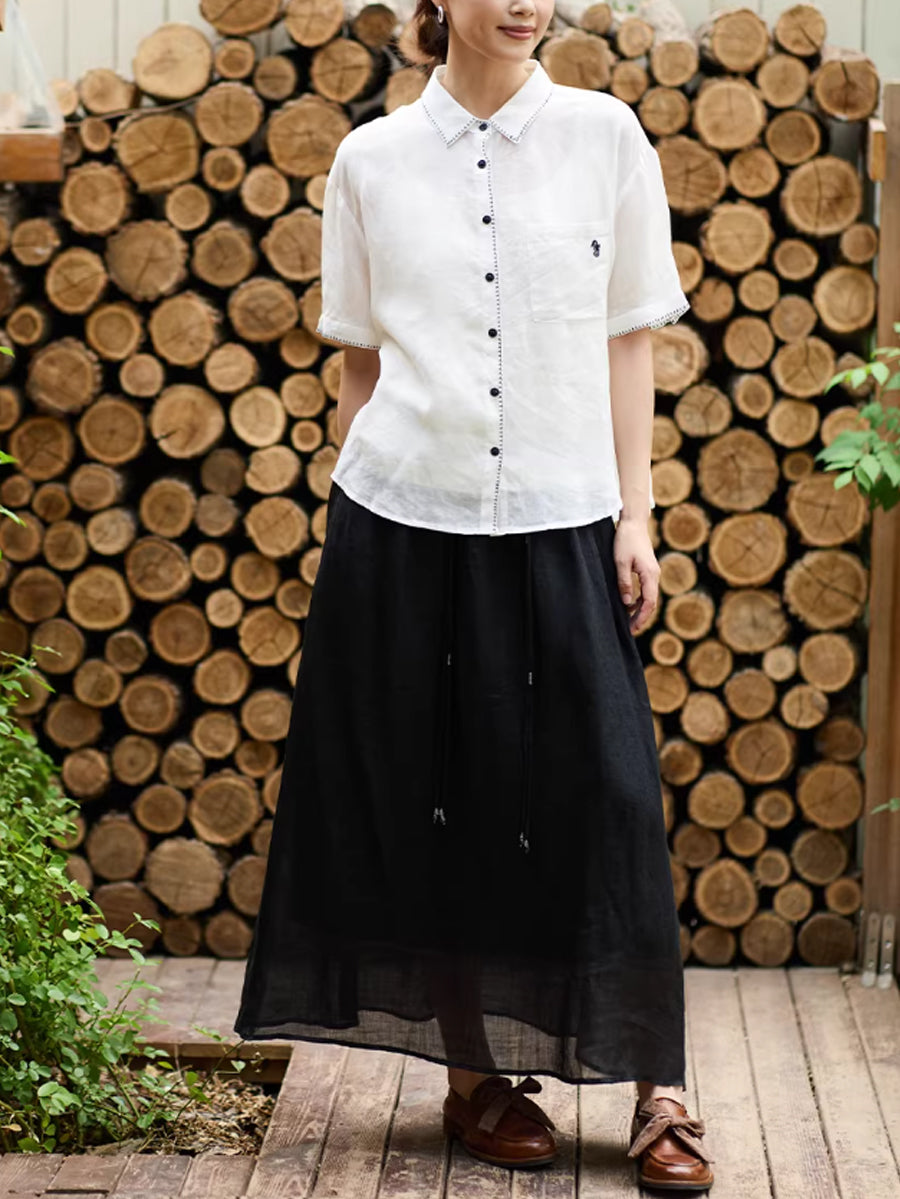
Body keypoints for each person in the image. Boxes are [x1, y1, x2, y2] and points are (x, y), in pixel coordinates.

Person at [234, 0, 714, 1189]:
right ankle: (474, 1077)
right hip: (406, 516)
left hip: (563, 508)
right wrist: (349, 516)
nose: (524, 2)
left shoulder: (604, 136)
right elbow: (360, 357)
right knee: (439, 800)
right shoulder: (371, 160)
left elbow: (629, 336)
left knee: (607, 795)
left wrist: (637, 510)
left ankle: (659, 1083)